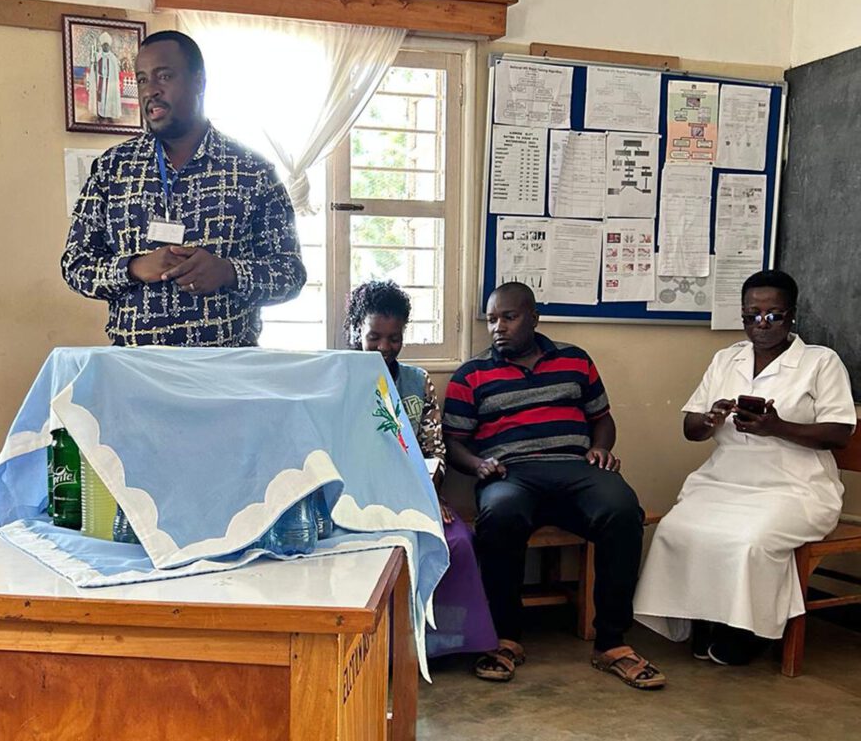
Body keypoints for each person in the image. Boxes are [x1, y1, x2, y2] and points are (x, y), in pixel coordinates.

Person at [443, 281, 665, 689]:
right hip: (511, 476)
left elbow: (602, 417)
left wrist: (600, 448)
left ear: (533, 317)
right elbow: (453, 442)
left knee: (622, 509)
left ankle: (612, 644)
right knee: (499, 515)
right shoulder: (471, 375)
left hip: (575, 470)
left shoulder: (575, 361)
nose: (498, 328)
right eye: (492, 319)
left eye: (508, 317)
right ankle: (505, 639)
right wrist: (479, 465)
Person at [633, 270, 856, 665]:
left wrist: (777, 427)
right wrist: (711, 419)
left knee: (750, 540)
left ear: (792, 315)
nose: (762, 324)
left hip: (794, 487)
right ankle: (704, 617)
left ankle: (751, 631)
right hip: (725, 481)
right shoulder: (727, 358)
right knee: (677, 531)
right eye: (752, 315)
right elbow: (690, 429)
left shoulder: (820, 362)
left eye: (773, 315)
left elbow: (839, 433)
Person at [62, 30, 306, 347]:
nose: (152, 91)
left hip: (224, 374)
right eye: (142, 80)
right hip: (135, 375)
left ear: (199, 82)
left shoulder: (251, 171)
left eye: (164, 76)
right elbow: (76, 264)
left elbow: (290, 274)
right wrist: (133, 268)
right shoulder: (113, 169)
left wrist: (228, 272)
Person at [343, 280, 498, 662]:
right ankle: (380, 653)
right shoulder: (340, 377)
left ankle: (444, 645)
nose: (384, 347)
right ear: (354, 332)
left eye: (394, 338)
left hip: (416, 492)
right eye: (374, 336)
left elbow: (435, 449)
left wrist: (429, 494)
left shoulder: (417, 381)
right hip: (358, 496)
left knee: (457, 542)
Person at [87, 32, 122, 121]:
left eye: (107, 45)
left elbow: (115, 72)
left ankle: (109, 114)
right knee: (100, 99)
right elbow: (93, 70)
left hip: (110, 82)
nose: (105, 47)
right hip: (100, 81)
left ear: (109, 46)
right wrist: (94, 67)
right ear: (102, 46)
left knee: (110, 97)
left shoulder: (113, 58)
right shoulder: (98, 56)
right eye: (104, 45)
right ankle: (100, 114)